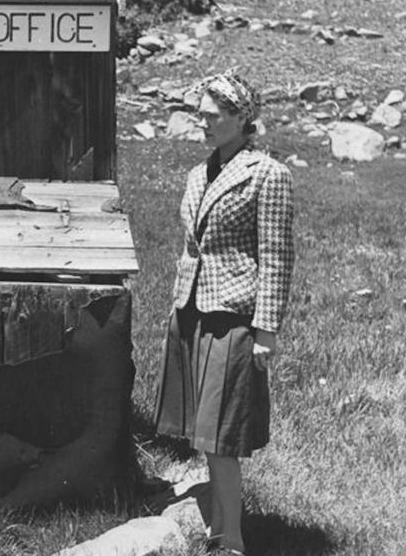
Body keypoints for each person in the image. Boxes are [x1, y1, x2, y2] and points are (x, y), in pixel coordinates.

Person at [154, 72, 294, 556]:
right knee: (200, 429)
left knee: (220, 434)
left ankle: (228, 540)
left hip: (234, 313)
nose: (203, 124)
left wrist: (266, 330)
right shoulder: (199, 173)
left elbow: (276, 256)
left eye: (213, 116)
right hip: (192, 308)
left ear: (241, 118)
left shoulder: (268, 175)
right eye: (201, 115)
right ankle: (212, 516)